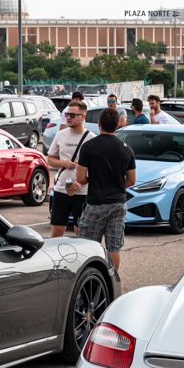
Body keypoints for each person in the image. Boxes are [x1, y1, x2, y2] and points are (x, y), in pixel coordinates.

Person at [76, 108, 136, 271]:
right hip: (118, 204)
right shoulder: (126, 149)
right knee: (113, 248)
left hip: (96, 203)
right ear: (117, 124)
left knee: (88, 246)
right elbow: (131, 180)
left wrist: (93, 179)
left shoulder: (88, 147)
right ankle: (112, 282)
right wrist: (116, 185)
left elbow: (80, 178)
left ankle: (89, 280)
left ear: (99, 124)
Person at [47, 100, 93, 237]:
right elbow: (50, 159)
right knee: (56, 232)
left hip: (83, 192)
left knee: (81, 232)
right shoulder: (60, 135)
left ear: (83, 117)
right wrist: (63, 163)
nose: (68, 117)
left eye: (72, 115)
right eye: (67, 114)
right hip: (61, 190)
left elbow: (96, 168)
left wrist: (81, 182)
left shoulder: (91, 138)